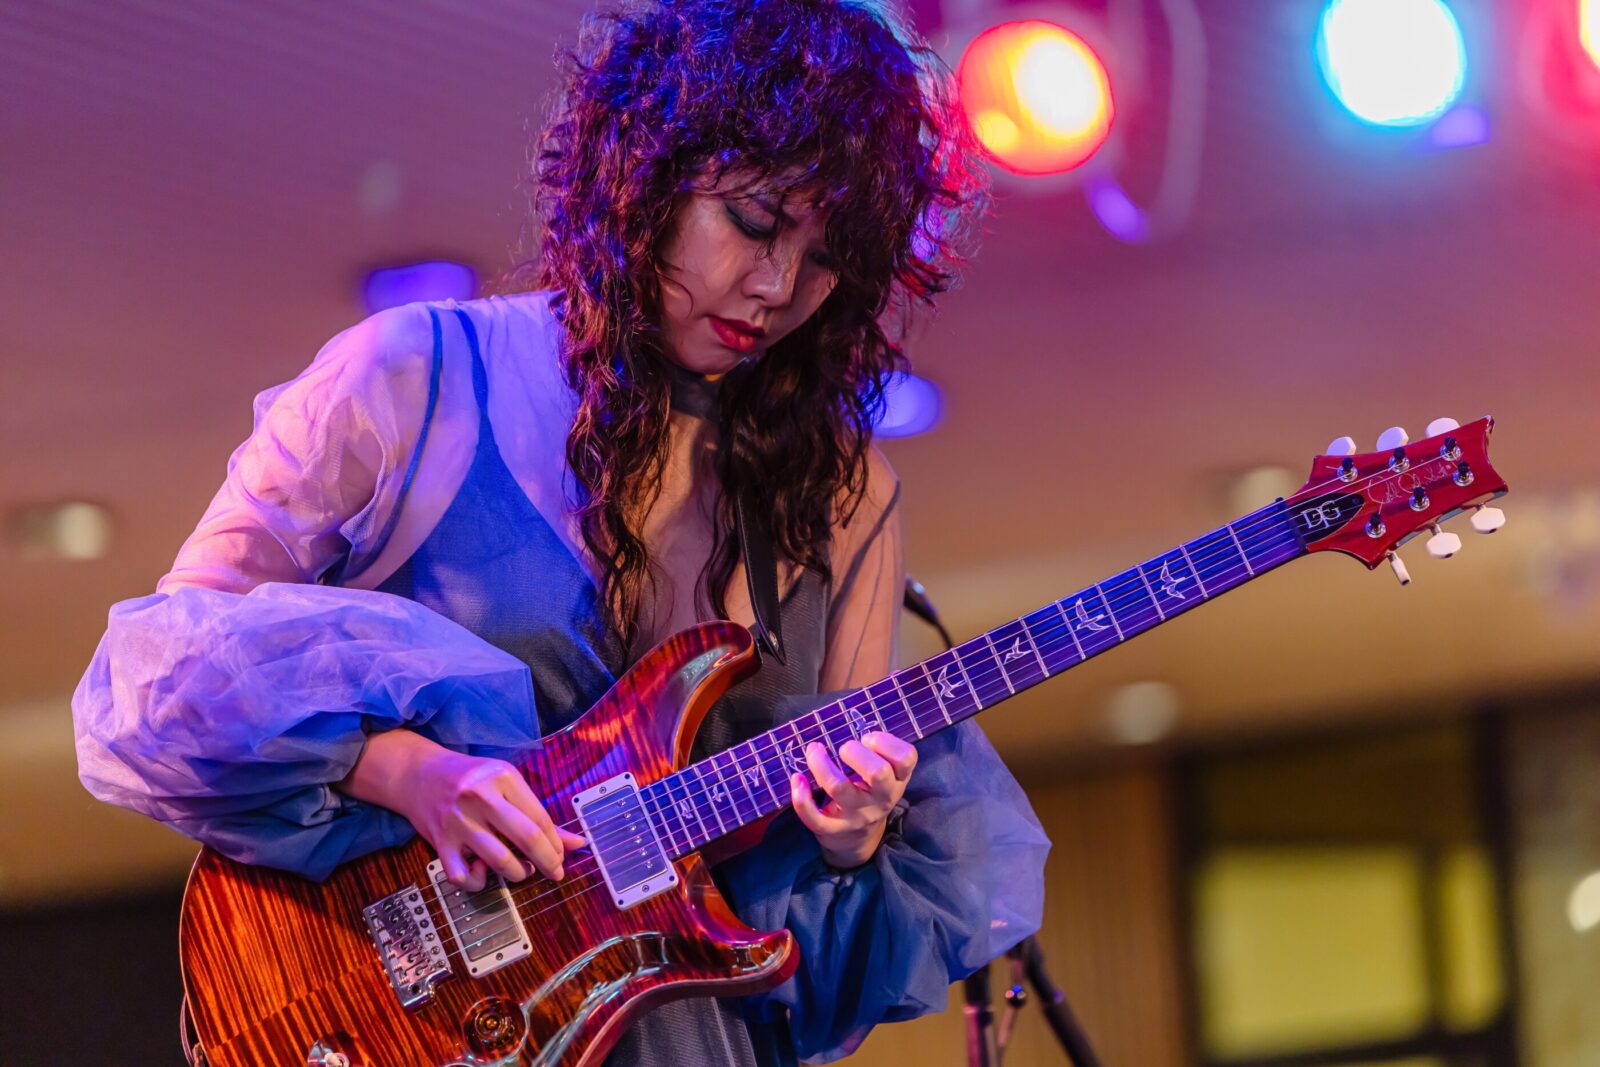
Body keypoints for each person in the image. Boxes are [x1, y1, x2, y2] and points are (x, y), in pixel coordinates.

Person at [71, 1, 1049, 1063]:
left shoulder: (847, 496)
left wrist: (850, 838)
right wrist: (400, 768)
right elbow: (157, 676)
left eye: (826, 261)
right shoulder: (410, 376)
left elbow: (804, 973)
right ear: (648, 173)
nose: (775, 288)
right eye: (757, 221)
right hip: (389, 1012)